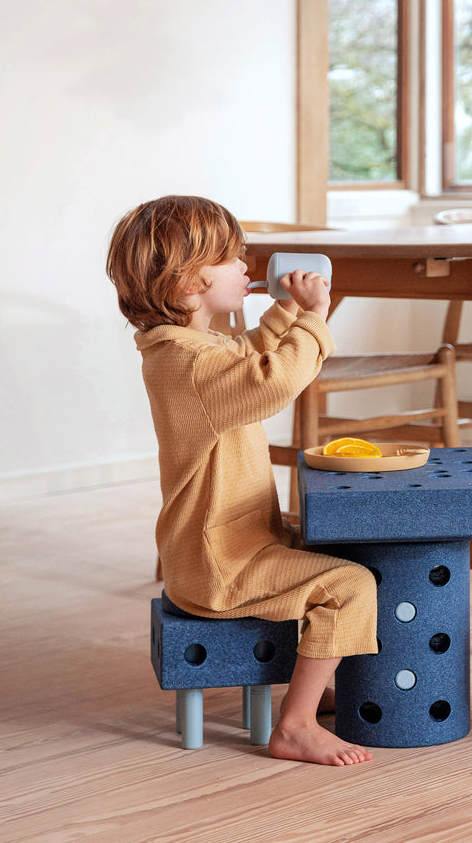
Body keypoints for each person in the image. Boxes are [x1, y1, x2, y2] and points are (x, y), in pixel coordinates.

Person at [106, 195, 377, 765]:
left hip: (221, 549)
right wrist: (314, 318)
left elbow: (245, 354)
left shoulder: (184, 349)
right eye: (230, 258)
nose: (245, 266)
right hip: (222, 564)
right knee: (351, 585)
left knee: (338, 553)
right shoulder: (192, 364)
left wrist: (284, 312)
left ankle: (311, 683)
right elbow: (273, 381)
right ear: (188, 282)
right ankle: (295, 726)